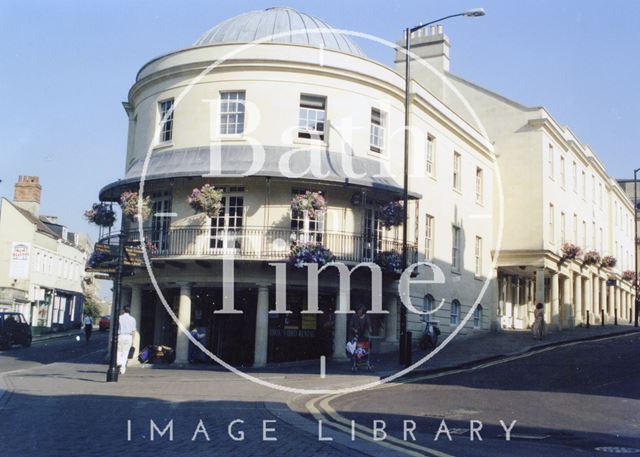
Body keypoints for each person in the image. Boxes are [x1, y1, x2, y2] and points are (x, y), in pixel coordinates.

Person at [117, 306, 137, 375]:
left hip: (120, 335)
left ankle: (118, 362)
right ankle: (122, 369)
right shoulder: (133, 319)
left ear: (123, 310)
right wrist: (133, 341)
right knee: (125, 353)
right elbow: (133, 331)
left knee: (119, 351)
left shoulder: (119, 318)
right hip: (129, 336)